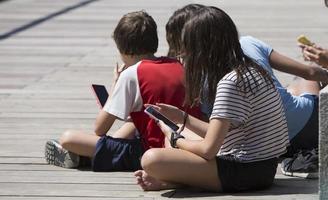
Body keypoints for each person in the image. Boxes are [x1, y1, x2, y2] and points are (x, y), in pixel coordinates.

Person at [134, 6, 289, 192]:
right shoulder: (251, 70)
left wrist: (174, 138)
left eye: (187, 47)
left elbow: (209, 150)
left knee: (151, 159)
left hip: (244, 172)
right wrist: (182, 118)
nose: (183, 53)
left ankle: (176, 179)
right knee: (176, 137)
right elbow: (218, 134)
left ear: (203, 49)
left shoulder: (230, 83)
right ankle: (174, 180)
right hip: (263, 167)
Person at [165, 3, 328, 179]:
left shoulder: (202, 76)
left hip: (266, 147)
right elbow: (311, 72)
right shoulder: (248, 44)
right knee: (301, 80)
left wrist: (176, 136)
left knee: (293, 87)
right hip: (306, 126)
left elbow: (215, 136)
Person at [44, 10, 199, 171]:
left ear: (124, 51)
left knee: (68, 138)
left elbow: (100, 128)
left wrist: (115, 86)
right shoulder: (178, 65)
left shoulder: (131, 74)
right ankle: (95, 154)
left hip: (153, 151)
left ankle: (88, 156)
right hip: (190, 143)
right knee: (132, 124)